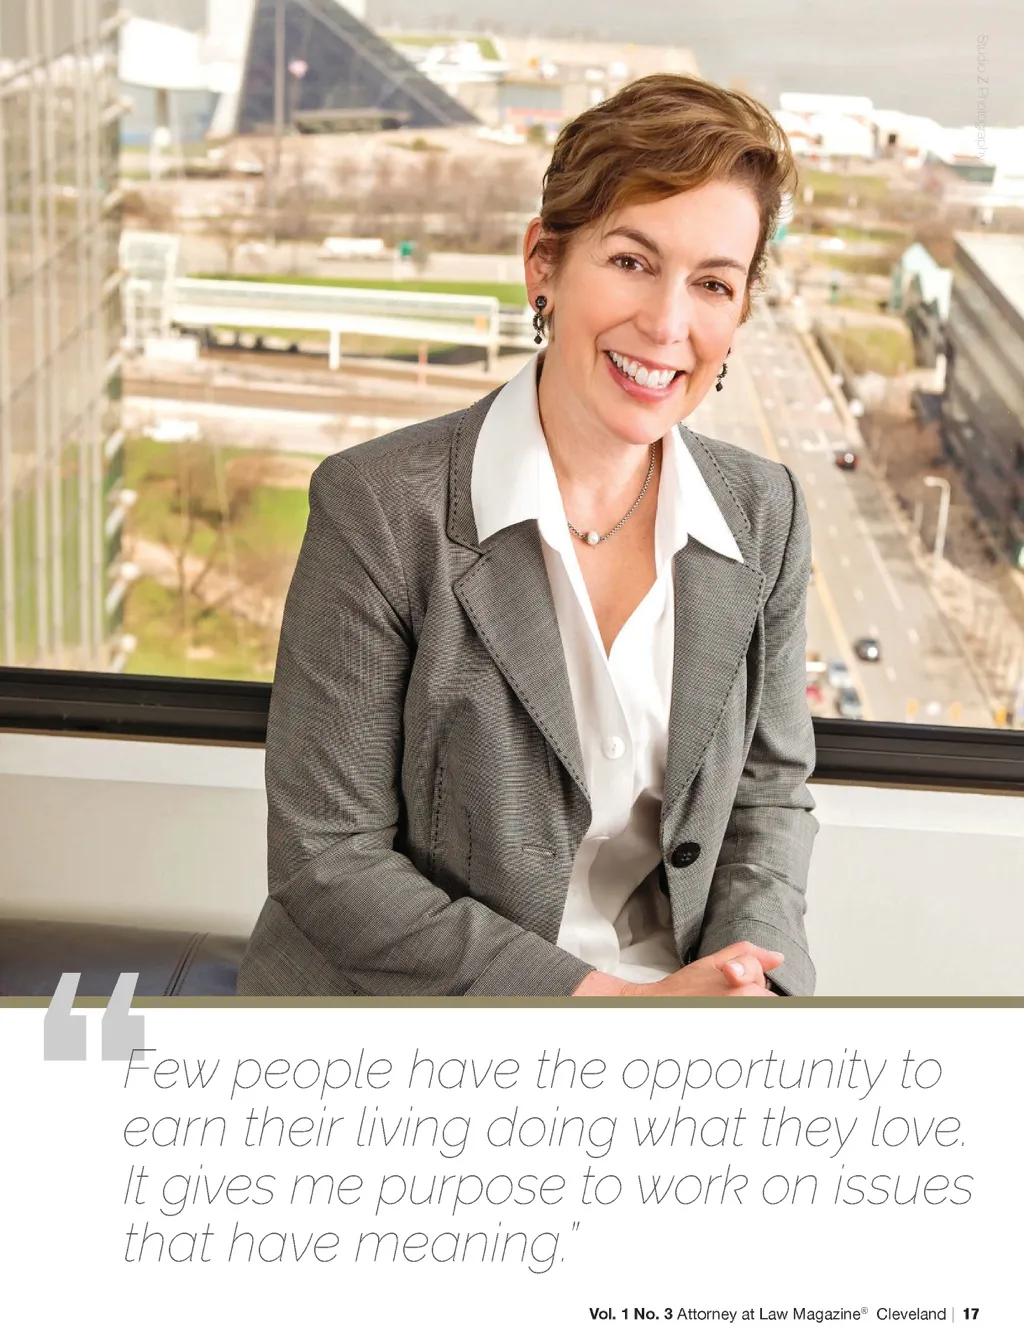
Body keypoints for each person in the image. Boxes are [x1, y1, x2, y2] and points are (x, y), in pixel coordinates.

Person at [237, 73, 818, 1000]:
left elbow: (768, 794)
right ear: (543, 263)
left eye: (713, 283)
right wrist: (612, 1010)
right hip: (420, 1024)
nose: (667, 324)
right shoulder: (378, 507)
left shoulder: (766, 513)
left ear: (740, 311)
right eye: (631, 261)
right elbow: (328, 860)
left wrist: (750, 979)